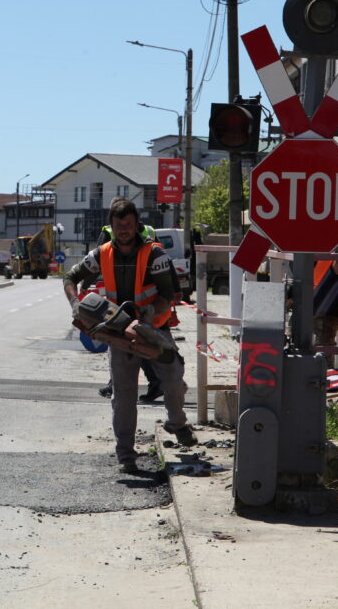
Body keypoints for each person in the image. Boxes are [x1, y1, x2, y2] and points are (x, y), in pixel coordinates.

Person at [64, 197, 197, 474]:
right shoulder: (101, 254)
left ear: (137, 225)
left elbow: (170, 294)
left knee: (173, 380)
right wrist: (76, 305)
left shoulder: (155, 255)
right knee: (123, 396)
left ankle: (177, 423)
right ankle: (125, 455)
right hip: (117, 334)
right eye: (118, 225)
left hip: (153, 330)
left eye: (128, 224)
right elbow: (69, 278)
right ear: (112, 226)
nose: (124, 229)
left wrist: (147, 317)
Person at [93, 222, 179, 403]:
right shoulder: (151, 231)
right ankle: (159, 383)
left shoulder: (109, 232)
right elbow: (165, 261)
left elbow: (98, 262)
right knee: (143, 344)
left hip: (130, 304)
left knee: (129, 343)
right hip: (151, 303)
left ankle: (156, 383)